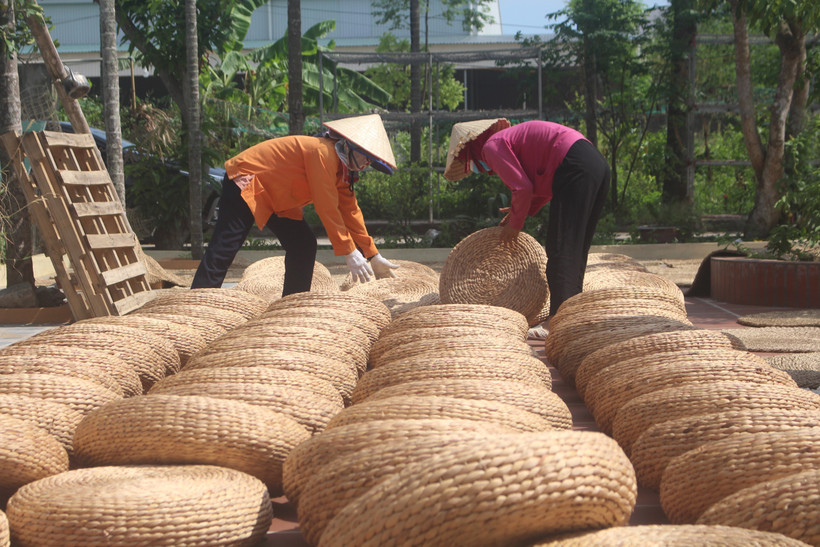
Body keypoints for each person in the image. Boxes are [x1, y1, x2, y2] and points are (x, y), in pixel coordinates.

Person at [192, 114, 400, 295]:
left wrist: (373, 255)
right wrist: (349, 251)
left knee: (303, 244)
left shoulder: (345, 171)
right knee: (226, 245)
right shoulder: (322, 152)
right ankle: (197, 302)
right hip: (247, 179)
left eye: (371, 162)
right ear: (349, 145)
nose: (366, 164)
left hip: (276, 197)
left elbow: (350, 211)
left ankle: (292, 303)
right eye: (366, 157)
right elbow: (326, 205)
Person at [443, 118, 610, 318]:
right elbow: (541, 186)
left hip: (574, 165)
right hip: (595, 163)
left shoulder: (491, 147)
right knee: (575, 249)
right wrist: (521, 210)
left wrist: (514, 225)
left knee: (561, 248)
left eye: (467, 162)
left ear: (470, 149)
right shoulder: (508, 140)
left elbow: (522, 188)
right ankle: (572, 314)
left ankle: (557, 320)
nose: (472, 168)